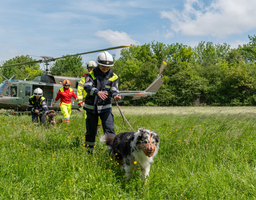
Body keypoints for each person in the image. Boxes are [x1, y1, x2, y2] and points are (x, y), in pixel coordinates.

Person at [83, 51, 121, 154]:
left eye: (107, 68)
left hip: (105, 107)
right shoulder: (91, 74)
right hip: (91, 107)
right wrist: (97, 92)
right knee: (91, 131)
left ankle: (112, 153)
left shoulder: (113, 76)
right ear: (98, 64)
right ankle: (89, 152)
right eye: (103, 67)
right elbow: (87, 87)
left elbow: (114, 89)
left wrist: (116, 95)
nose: (105, 69)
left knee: (109, 130)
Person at [77, 61, 101, 129]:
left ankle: (96, 131)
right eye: (90, 68)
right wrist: (80, 101)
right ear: (88, 69)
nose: (92, 70)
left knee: (99, 118)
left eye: (93, 68)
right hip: (87, 101)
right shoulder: (84, 77)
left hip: (97, 100)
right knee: (88, 117)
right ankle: (90, 131)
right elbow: (79, 90)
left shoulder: (99, 76)